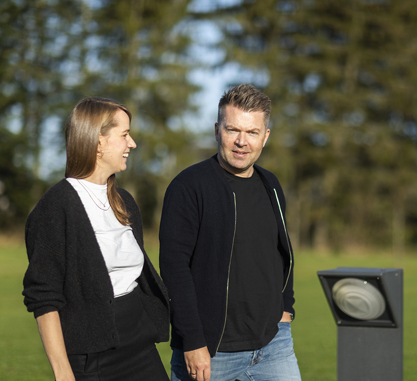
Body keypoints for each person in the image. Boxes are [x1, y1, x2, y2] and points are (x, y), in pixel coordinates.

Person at [160, 84, 302, 381]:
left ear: (265, 136)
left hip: (273, 346)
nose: (241, 142)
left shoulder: (271, 184)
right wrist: (193, 340)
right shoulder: (189, 186)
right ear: (217, 130)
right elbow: (174, 269)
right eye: (232, 130)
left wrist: (285, 310)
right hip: (211, 353)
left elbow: (281, 253)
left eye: (251, 132)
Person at [22, 97, 170, 381]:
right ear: (99, 141)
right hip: (92, 356)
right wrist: (63, 371)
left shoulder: (124, 201)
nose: (132, 144)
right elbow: (44, 296)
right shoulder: (57, 206)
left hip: (140, 345)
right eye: (124, 135)